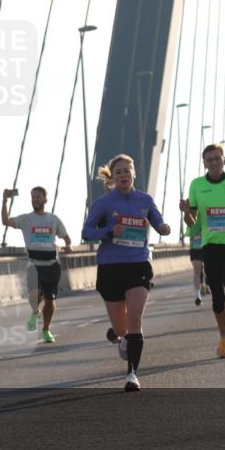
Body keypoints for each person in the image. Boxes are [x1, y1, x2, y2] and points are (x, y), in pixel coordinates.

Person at [82, 154, 170, 392]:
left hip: (138, 264)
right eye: (118, 172)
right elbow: (87, 232)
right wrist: (110, 231)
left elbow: (158, 221)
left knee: (135, 319)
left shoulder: (145, 199)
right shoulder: (104, 203)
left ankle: (132, 374)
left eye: (127, 171)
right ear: (113, 177)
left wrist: (163, 227)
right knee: (122, 329)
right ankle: (120, 339)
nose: (123, 175)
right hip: (110, 267)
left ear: (134, 173)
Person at [179, 143, 225, 359]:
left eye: (217, 158)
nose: (213, 162)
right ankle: (223, 338)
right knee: (217, 296)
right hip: (210, 245)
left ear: (224, 160)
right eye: (209, 159)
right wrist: (186, 212)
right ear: (204, 163)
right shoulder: (197, 185)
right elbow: (192, 220)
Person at [1, 186, 72, 344]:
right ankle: (35, 312)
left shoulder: (53, 219)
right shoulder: (26, 219)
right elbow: (5, 221)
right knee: (34, 294)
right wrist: (5, 201)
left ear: (45, 199)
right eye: (33, 197)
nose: (35, 200)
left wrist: (68, 246)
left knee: (50, 300)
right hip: (34, 264)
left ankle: (46, 330)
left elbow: (66, 238)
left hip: (52, 265)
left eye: (38, 197)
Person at [185, 220, 207, 306]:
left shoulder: (206, 217)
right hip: (195, 249)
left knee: (209, 270)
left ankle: (205, 284)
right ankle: (198, 296)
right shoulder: (190, 219)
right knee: (197, 271)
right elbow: (189, 234)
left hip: (207, 247)